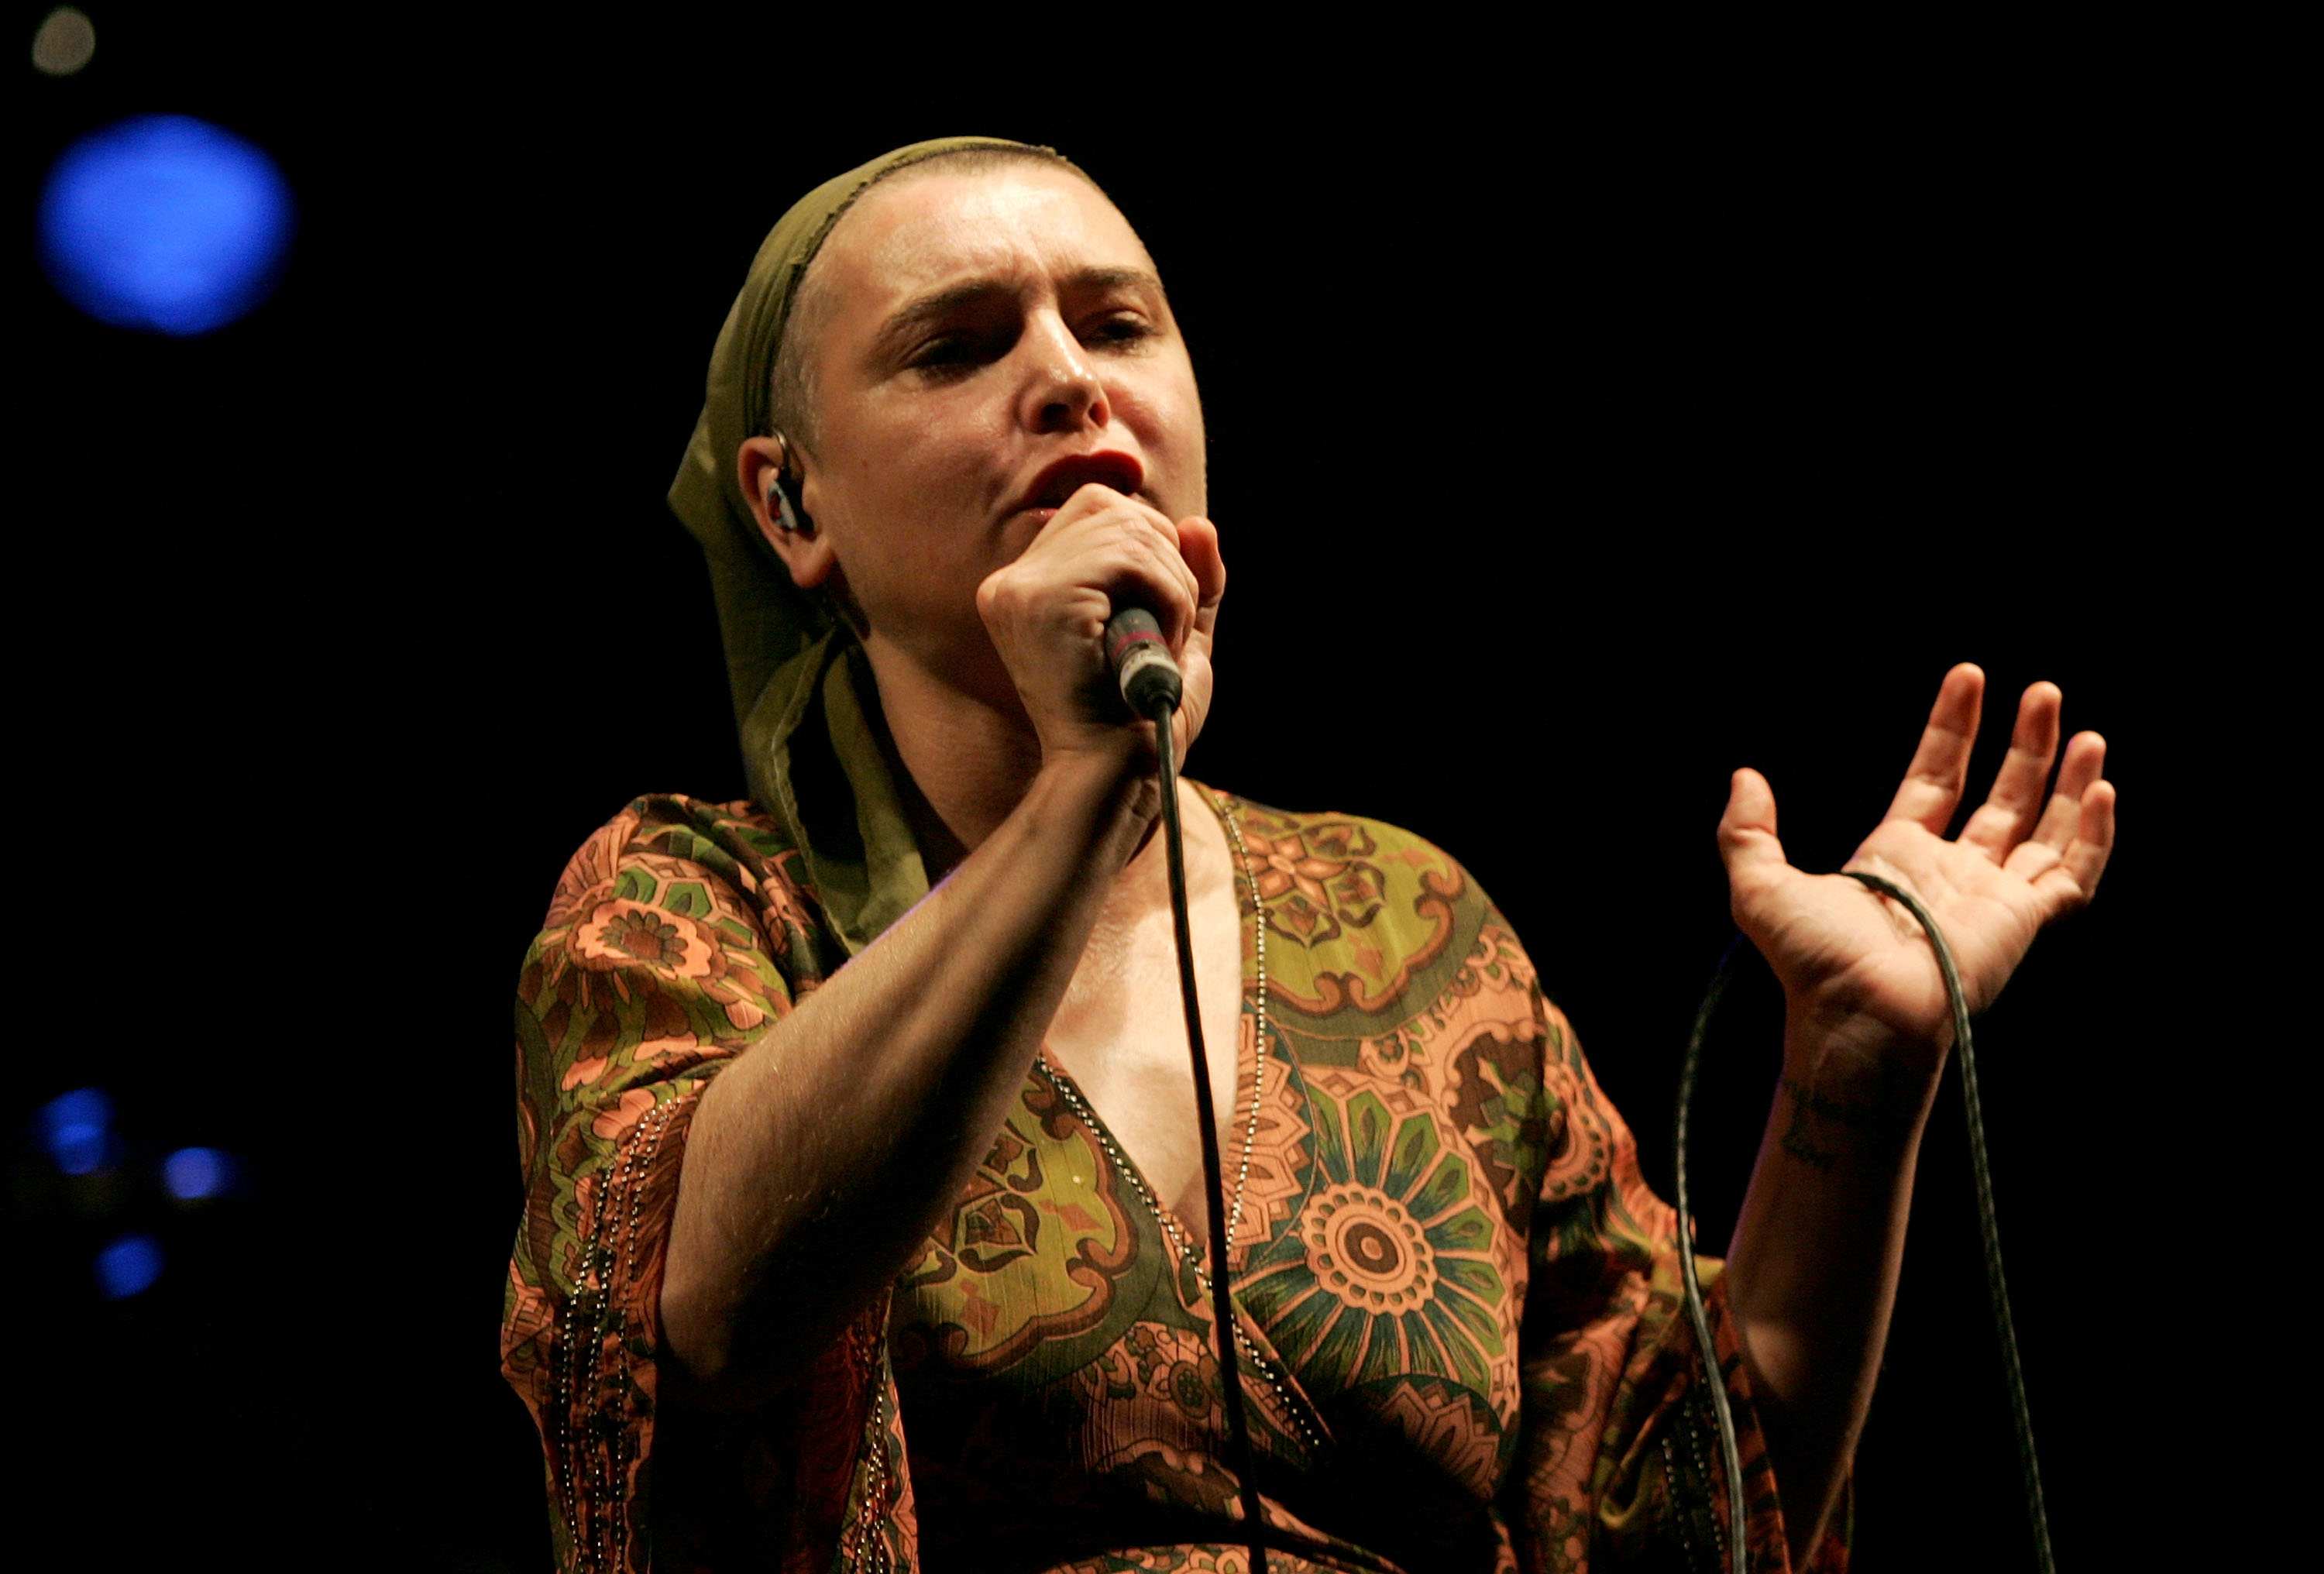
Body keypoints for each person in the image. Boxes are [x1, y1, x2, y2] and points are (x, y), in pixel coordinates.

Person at [500, 137, 2116, 1574]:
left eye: (1117, 325)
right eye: (958, 346)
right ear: (792, 507)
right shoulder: (697, 904)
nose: (1069, 380)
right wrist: (1089, 785)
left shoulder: (1411, 928)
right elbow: (692, 1315)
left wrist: (1855, 1075)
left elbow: (1681, 1532)